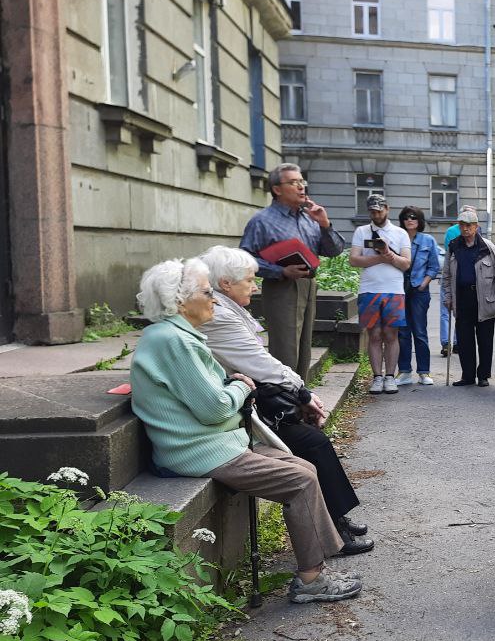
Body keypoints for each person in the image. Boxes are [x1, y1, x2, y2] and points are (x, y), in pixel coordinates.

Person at [130, 258, 362, 603]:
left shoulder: (175, 336)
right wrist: (241, 386)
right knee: (299, 480)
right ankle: (311, 579)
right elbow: (214, 408)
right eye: (207, 292)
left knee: (303, 466)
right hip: (200, 450)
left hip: (217, 442)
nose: (213, 298)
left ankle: (319, 565)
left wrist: (234, 386)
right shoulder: (174, 341)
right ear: (179, 301)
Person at [196, 246, 374, 556]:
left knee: (312, 439)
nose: (256, 286)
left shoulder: (224, 309)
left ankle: (337, 519)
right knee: (311, 441)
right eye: (250, 280)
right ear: (225, 283)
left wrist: (302, 394)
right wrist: (304, 393)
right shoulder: (219, 316)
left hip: (244, 404)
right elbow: (260, 364)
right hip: (234, 414)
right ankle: (335, 529)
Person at [239, 163, 346, 382]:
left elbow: (334, 251)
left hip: (308, 284)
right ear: (277, 189)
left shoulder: (310, 217)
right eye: (293, 182)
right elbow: (244, 258)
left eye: (301, 182)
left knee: (305, 347)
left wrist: (325, 225)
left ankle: (301, 398)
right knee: (286, 348)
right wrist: (280, 270)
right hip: (281, 287)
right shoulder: (262, 221)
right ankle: (285, 402)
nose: (300, 187)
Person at [350, 195, 412, 395]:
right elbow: (354, 260)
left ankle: (390, 377)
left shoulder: (400, 233)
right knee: (374, 334)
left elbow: (405, 263)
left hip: (394, 289)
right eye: (372, 211)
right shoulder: (362, 231)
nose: (376, 214)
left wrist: (389, 255)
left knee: (391, 334)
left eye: (379, 210)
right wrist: (380, 258)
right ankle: (377, 376)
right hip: (369, 289)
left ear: (387, 209)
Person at [444, 210, 495, 387]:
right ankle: (467, 376)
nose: (465, 228)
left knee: (485, 340)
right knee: (464, 339)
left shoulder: (487, 247)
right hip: (462, 298)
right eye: (462, 225)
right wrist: (448, 297)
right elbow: (446, 275)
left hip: (485, 299)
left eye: (468, 225)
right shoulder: (454, 246)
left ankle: (483, 375)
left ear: (476, 227)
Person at [394, 206, 441, 387]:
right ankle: (404, 371)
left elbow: (434, 266)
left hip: (420, 291)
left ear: (419, 220)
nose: (410, 220)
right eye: (406, 217)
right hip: (400, 290)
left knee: (420, 332)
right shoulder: (398, 238)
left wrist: (424, 283)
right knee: (403, 332)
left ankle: (424, 372)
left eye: (413, 217)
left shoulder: (427, 240)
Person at [440, 205, 479, 357]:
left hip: (469, 281)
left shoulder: (477, 232)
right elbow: (450, 258)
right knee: (447, 310)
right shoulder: (452, 232)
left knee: (461, 314)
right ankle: (446, 342)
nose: (466, 227)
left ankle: (457, 341)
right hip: (453, 276)